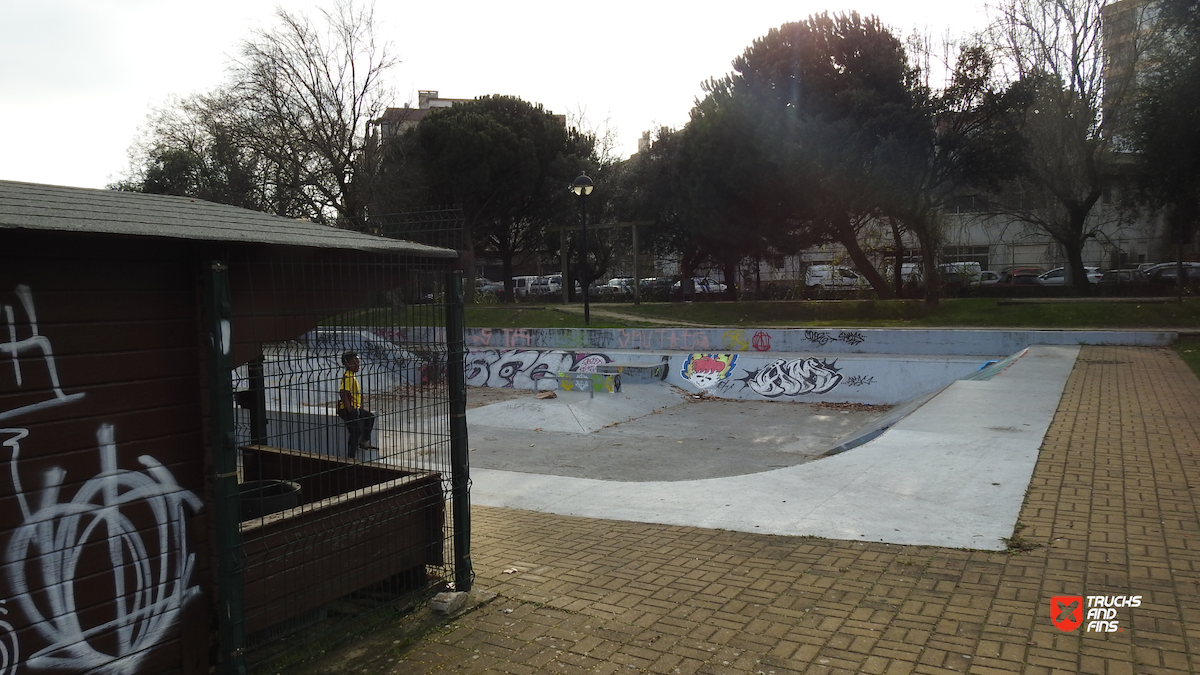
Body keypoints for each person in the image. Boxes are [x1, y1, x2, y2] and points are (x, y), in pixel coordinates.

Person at [337, 350, 376, 458]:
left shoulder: (351, 375)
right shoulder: (348, 376)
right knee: (356, 431)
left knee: (369, 417)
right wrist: (350, 409)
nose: (358, 365)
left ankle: (364, 442)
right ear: (347, 363)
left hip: (354, 408)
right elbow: (343, 392)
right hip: (346, 409)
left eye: (358, 363)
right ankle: (351, 456)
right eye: (355, 363)